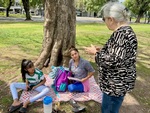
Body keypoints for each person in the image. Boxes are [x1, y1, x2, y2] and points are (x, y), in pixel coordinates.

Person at [84, 2, 138, 113]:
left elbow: (113, 61)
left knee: (108, 110)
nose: (105, 23)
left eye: (104, 19)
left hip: (114, 85)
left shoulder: (120, 34)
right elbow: (120, 55)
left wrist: (95, 53)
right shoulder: (128, 31)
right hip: (120, 83)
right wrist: (103, 50)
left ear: (111, 19)